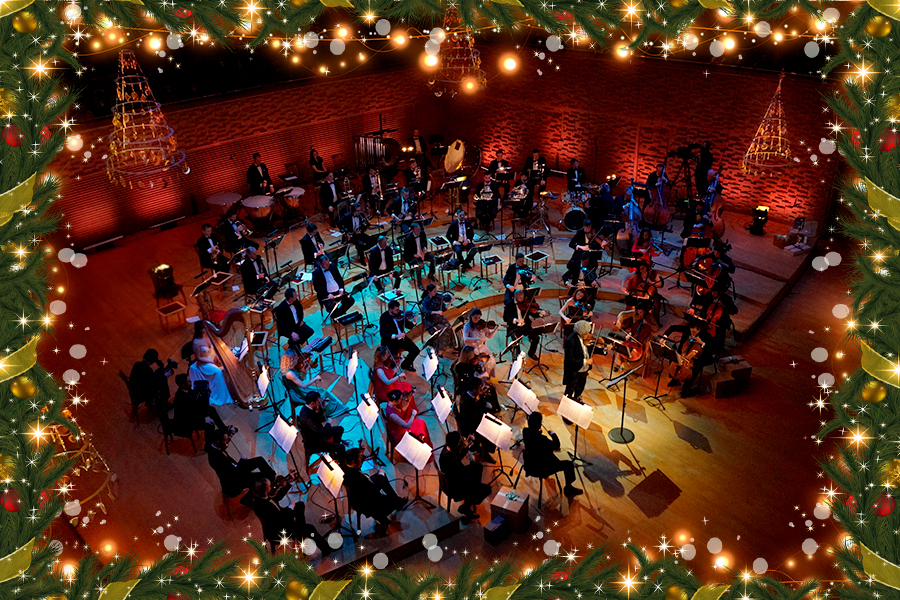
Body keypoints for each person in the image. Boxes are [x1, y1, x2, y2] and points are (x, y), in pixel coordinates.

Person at [248, 477, 334, 555]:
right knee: (309, 528)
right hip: (280, 530)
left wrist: (289, 484)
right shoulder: (265, 508)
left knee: (300, 505)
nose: (271, 487)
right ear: (266, 491)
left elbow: (276, 497)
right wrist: (290, 508)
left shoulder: (259, 497)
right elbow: (282, 520)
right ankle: (326, 549)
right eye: (269, 487)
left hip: (278, 518)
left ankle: (300, 534)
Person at [341, 447, 406, 532]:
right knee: (383, 478)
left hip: (356, 498)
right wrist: (381, 475)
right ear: (353, 462)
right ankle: (393, 506)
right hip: (367, 503)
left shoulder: (344, 467)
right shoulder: (358, 478)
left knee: (380, 478)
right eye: (360, 459)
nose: (362, 459)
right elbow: (374, 490)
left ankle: (385, 514)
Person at [521, 412, 582, 497]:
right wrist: (553, 435)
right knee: (568, 464)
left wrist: (538, 432)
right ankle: (569, 488)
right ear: (539, 425)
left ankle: (547, 475)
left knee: (547, 454)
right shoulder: (542, 440)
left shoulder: (525, 432)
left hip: (530, 465)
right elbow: (556, 445)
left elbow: (534, 438)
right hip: (541, 467)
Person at [207, 427, 275, 498]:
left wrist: (231, 434)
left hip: (236, 469)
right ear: (218, 442)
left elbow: (224, 443)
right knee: (265, 475)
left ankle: (271, 479)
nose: (227, 441)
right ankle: (269, 484)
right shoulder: (216, 458)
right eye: (225, 440)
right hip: (236, 480)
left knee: (260, 460)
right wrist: (242, 459)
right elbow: (234, 473)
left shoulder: (215, 446)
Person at [439, 431, 493, 519]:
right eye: (460, 443)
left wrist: (469, 444)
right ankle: (466, 506)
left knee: (477, 468)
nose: (462, 444)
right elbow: (463, 473)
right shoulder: (452, 462)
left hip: (452, 479)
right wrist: (472, 461)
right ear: (456, 446)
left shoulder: (446, 449)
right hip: (456, 488)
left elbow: (457, 455)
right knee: (486, 489)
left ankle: (472, 494)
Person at [281, 349, 339, 421]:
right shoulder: (289, 373)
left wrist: (306, 369)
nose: (298, 358)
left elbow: (302, 378)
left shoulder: (293, 368)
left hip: (299, 388)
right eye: (295, 357)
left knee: (322, 391)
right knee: (320, 395)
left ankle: (331, 407)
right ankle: (325, 413)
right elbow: (304, 385)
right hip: (297, 393)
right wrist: (315, 378)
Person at [189, 323, 232, 406]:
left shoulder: (209, 337)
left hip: (210, 359)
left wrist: (217, 357)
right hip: (203, 364)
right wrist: (211, 362)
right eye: (205, 328)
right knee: (218, 371)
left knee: (226, 364)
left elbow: (213, 350)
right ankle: (221, 397)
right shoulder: (196, 342)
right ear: (200, 330)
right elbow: (199, 358)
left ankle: (225, 390)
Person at [296, 391, 346, 459]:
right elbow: (323, 433)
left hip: (317, 433)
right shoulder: (307, 418)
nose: (319, 403)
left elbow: (319, 419)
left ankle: (334, 451)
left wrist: (322, 407)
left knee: (340, 429)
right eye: (318, 401)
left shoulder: (306, 408)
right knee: (341, 448)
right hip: (315, 443)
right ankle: (340, 460)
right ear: (312, 403)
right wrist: (328, 423)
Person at [611, 305, 653, 378]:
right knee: (621, 345)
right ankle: (618, 363)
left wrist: (647, 323)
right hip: (633, 338)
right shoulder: (635, 316)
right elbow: (632, 331)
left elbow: (655, 328)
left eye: (641, 312)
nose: (639, 314)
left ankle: (641, 371)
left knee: (646, 352)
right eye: (638, 312)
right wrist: (627, 337)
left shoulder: (650, 318)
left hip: (642, 342)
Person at [379, 300, 420, 372]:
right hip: (391, 341)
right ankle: (391, 372)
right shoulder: (384, 317)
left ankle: (405, 365)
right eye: (396, 310)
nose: (398, 311)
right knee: (393, 359)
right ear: (390, 309)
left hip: (402, 339)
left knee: (415, 350)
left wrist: (414, 320)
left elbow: (409, 326)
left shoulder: (400, 314)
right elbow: (383, 334)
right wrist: (396, 336)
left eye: (398, 309)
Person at [622, 261, 663, 326]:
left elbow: (660, 284)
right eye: (640, 269)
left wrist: (651, 283)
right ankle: (627, 321)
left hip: (651, 295)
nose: (641, 270)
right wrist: (623, 286)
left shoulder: (653, 273)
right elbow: (627, 277)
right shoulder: (638, 273)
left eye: (643, 268)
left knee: (656, 305)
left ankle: (655, 322)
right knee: (630, 303)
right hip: (639, 294)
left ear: (647, 267)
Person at [504, 289, 540, 360]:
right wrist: (516, 320)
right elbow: (505, 318)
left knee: (536, 338)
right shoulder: (509, 304)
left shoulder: (526, 303)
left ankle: (531, 353)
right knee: (516, 342)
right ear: (515, 296)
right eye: (519, 298)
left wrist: (539, 314)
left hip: (525, 326)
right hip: (514, 327)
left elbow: (532, 314)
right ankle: (518, 358)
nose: (521, 300)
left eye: (522, 298)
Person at [462, 308, 498, 378]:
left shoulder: (482, 324)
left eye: (479, 318)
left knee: (491, 360)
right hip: (471, 347)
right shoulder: (467, 325)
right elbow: (465, 339)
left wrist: (496, 329)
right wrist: (479, 339)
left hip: (481, 346)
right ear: (471, 316)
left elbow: (489, 336)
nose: (477, 320)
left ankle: (488, 374)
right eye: (475, 318)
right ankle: (480, 375)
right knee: (480, 361)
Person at [563, 320, 593, 401]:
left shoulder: (585, 339)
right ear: (580, 333)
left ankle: (577, 397)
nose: (588, 335)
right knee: (570, 388)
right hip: (574, 370)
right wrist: (585, 361)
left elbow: (591, 348)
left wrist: (604, 349)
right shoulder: (570, 340)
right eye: (586, 333)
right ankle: (566, 402)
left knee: (580, 386)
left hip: (584, 369)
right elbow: (570, 359)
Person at [421, 284, 455, 352]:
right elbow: (425, 311)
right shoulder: (425, 300)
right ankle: (440, 350)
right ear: (429, 292)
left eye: (436, 290)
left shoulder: (438, 298)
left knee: (449, 327)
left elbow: (443, 309)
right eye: (434, 291)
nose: (436, 292)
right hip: (430, 320)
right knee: (442, 332)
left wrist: (450, 302)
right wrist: (436, 312)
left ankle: (452, 344)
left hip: (439, 317)